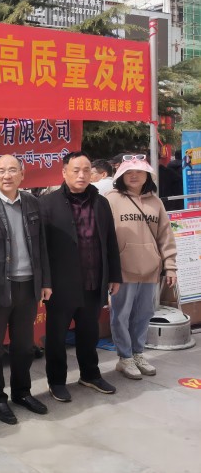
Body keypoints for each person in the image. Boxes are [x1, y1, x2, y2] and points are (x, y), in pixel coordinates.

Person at [0, 155, 52, 425]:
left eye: (12, 170)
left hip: (28, 286)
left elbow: (42, 246)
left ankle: (22, 392)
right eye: (1, 171)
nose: (7, 175)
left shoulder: (32, 203)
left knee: (23, 346)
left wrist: (45, 282)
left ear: (22, 174)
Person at [39, 152, 122, 402]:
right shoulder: (48, 204)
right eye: (76, 170)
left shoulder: (101, 202)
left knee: (89, 333)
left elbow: (110, 241)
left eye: (86, 170)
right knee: (56, 337)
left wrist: (114, 275)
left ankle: (90, 374)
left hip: (93, 282)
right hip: (60, 286)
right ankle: (56, 381)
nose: (82, 175)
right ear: (64, 172)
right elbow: (41, 248)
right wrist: (45, 282)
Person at [105, 155, 177, 379]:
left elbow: (165, 236)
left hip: (150, 270)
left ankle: (138, 353)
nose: (134, 176)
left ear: (147, 175)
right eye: (128, 172)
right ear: (120, 176)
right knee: (121, 315)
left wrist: (170, 266)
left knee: (144, 314)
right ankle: (124, 357)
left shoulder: (156, 202)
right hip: (122, 271)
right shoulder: (110, 199)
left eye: (139, 172)